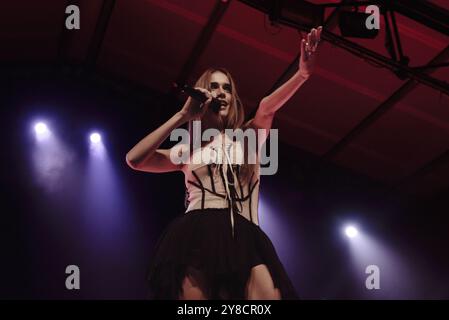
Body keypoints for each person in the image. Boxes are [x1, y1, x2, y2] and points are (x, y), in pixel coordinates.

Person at [126, 27, 322, 300]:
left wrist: (302, 74)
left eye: (227, 88)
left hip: (246, 233)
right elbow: (134, 159)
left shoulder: (250, 138)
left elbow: (266, 107)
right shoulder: (188, 149)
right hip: (197, 231)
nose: (221, 92)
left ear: (234, 98)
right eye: (214, 86)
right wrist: (182, 116)